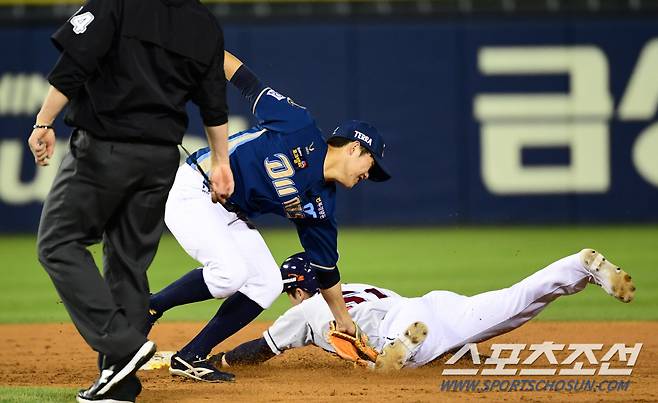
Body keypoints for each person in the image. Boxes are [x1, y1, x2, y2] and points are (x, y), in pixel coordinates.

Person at [27, 0, 233, 401]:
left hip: (106, 147)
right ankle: (120, 385)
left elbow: (74, 64)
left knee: (57, 243)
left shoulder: (116, 2)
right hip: (159, 158)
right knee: (128, 263)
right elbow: (213, 103)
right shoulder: (204, 21)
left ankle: (121, 345)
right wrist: (221, 162)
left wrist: (43, 121)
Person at [146, 51, 391, 382]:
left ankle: (190, 356)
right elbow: (247, 81)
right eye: (370, 166)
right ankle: (149, 307)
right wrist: (201, 49)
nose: (367, 176)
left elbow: (326, 270)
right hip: (196, 186)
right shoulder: (298, 125)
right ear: (353, 149)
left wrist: (343, 319)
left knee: (267, 283)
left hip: (229, 211)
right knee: (229, 274)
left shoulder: (321, 205)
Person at [206, 248, 635, 370]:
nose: (291, 298)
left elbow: (259, 350)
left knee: (388, 364)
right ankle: (576, 267)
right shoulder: (357, 287)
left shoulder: (302, 311)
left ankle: (403, 348)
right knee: (516, 302)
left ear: (299, 287)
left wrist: (219, 358)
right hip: (432, 303)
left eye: (290, 291)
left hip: (407, 325)